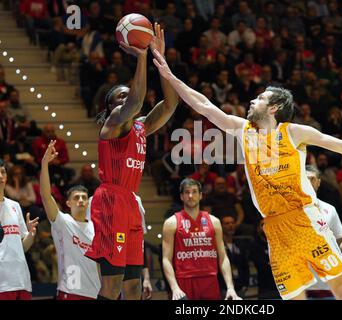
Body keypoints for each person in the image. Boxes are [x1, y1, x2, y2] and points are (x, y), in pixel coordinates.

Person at [152, 49, 342, 300]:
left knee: (339, 283)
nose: (252, 100)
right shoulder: (242, 130)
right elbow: (204, 105)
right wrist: (169, 74)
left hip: (303, 218)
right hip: (273, 226)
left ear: (273, 108)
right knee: (294, 295)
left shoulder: (293, 133)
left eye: (259, 98)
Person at [85, 22, 179, 300]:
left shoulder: (140, 128)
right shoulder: (112, 125)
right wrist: (141, 56)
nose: (126, 100)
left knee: (133, 288)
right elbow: (137, 102)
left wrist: (160, 61)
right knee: (112, 288)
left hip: (130, 202)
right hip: (110, 201)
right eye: (120, 97)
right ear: (111, 107)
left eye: (128, 94)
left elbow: (171, 104)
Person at [161, 178, 241, 300]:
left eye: (194, 191)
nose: (191, 195)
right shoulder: (171, 223)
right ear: (182, 196)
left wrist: (230, 287)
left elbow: (223, 257)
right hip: (184, 281)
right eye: (187, 192)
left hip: (210, 280)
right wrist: (174, 287)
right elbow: (166, 259)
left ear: (200, 195)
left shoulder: (214, 222)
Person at [40, 140, 100, 300]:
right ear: (68, 203)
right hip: (70, 292)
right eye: (76, 197)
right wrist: (45, 163)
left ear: (88, 203)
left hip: (96, 294)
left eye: (84, 198)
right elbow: (46, 197)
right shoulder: (63, 222)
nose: (81, 200)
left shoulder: (96, 228)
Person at [305, 165, 342, 298]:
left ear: (318, 182)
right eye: (304, 179)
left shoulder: (330, 210)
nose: (308, 183)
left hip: (328, 284)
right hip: (301, 284)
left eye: (311, 179)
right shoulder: (289, 211)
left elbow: (341, 250)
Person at [0, 159, 39, 300]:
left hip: (21, 280)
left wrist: (30, 234)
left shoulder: (15, 206)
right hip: (2, 284)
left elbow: (23, 247)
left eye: (3, 172)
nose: (0, 176)